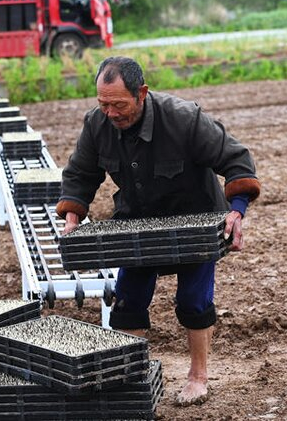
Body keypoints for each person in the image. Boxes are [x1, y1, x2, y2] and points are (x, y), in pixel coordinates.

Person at [56, 56, 260, 407]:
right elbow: (80, 173)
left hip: (194, 220)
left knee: (193, 302)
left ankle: (198, 376)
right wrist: (73, 215)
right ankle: (131, 376)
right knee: (128, 301)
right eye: (103, 104)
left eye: (118, 104)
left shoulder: (182, 118)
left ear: (141, 93)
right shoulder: (97, 124)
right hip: (138, 220)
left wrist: (236, 213)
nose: (110, 113)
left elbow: (236, 158)